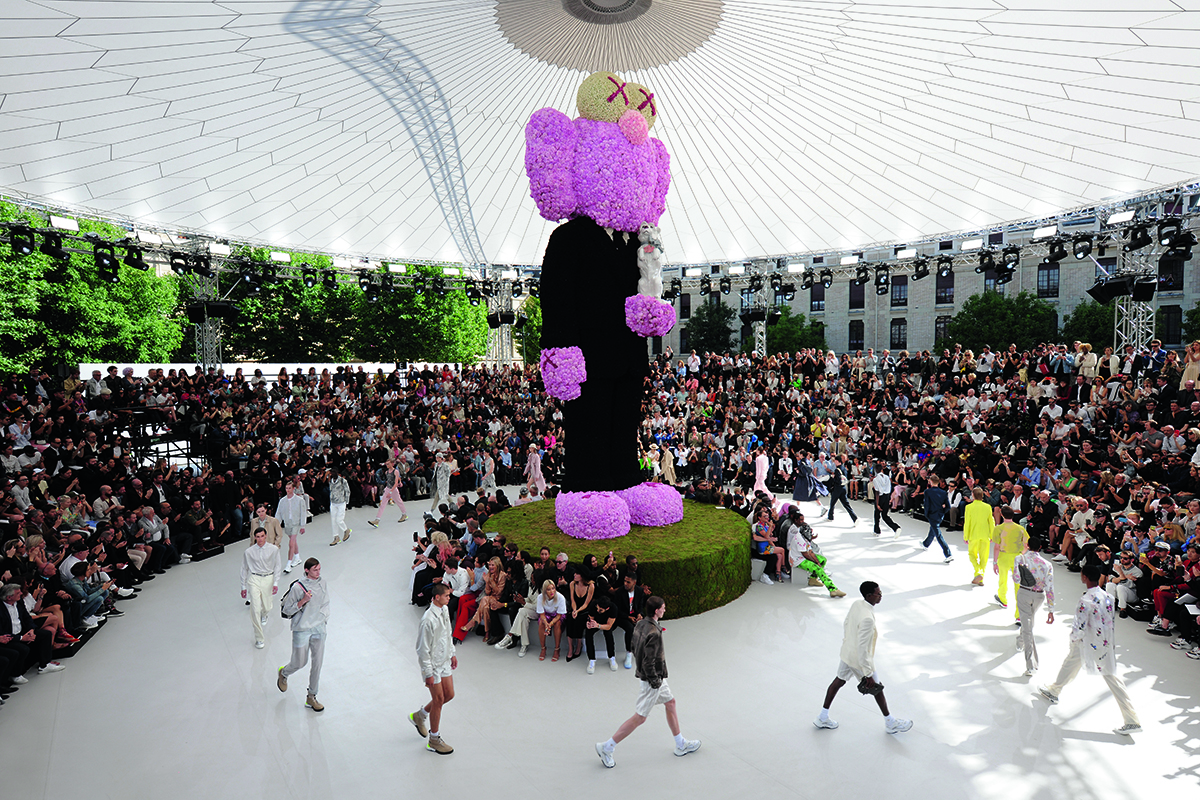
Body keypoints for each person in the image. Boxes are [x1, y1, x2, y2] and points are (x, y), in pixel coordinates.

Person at [595, 595, 700, 768]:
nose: (665, 609)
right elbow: (648, 662)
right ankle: (607, 747)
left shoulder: (641, 624)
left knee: (671, 703)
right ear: (657, 610)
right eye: (663, 607)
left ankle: (680, 744)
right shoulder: (654, 633)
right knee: (640, 718)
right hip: (653, 680)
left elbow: (635, 649)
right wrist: (655, 682)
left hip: (654, 677)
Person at [1038, 565, 1142, 736]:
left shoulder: (1085, 600)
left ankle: (1132, 720)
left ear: (1084, 577)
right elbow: (1109, 621)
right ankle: (1054, 689)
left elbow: (1079, 626)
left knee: (1072, 663)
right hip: (1104, 643)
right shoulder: (1108, 596)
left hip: (1086, 642)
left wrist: (1073, 639)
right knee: (1105, 675)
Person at [814, 581, 912, 734]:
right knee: (877, 687)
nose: (881, 596)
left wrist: (848, 642)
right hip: (858, 660)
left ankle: (823, 716)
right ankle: (890, 722)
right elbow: (862, 648)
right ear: (869, 595)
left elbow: (846, 623)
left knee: (838, 681)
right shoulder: (868, 618)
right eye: (878, 593)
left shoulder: (857, 604)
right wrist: (867, 674)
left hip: (847, 652)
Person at [276, 558, 330, 712]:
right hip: (302, 629)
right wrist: (303, 601)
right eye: (315, 570)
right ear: (306, 570)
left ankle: (311, 696)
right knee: (300, 662)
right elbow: (287, 611)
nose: (318, 573)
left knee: (317, 663)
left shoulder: (323, 583)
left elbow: (326, 603)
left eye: (319, 569)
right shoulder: (298, 588)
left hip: (319, 628)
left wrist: (324, 619)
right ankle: (284, 673)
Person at [411, 583, 457, 755]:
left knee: (449, 695)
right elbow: (422, 650)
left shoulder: (444, 610)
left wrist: (452, 653)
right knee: (438, 700)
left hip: (444, 661)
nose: (449, 598)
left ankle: (420, 715)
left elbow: (447, 633)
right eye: (447, 595)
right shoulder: (427, 620)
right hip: (433, 666)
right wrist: (428, 673)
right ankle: (434, 739)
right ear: (437, 597)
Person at [1012, 535, 1055, 676]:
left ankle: (1031, 664)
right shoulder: (1047, 564)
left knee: (1027, 627)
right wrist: (1051, 609)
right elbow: (1050, 587)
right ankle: (1020, 640)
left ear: (1028, 545)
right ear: (1040, 547)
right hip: (1039, 596)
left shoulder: (1020, 559)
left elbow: (1016, 578)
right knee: (1028, 620)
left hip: (1024, 592)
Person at [785, 509, 847, 598]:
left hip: (804, 556)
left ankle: (812, 579)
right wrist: (816, 562)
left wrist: (817, 560)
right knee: (818, 568)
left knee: (823, 560)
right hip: (797, 560)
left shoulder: (805, 537)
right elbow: (805, 554)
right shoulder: (799, 538)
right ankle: (832, 589)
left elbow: (810, 551)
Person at [240, 528, 283, 648]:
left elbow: (278, 566)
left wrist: (276, 583)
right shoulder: (248, 552)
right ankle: (259, 638)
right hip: (254, 579)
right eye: (257, 537)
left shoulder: (273, 549)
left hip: (268, 578)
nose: (260, 539)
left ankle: (265, 613)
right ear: (255, 537)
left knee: (267, 606)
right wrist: (243, 586)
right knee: (255, 608)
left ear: (266, 536)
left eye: (262, 536)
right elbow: (244, 568)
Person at [992, 506, 1028, 615]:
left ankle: (1003, 599)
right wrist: (1020, 553)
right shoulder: (1020, 528)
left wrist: (994, 562)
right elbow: (1026, 545)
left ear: (1002, 515)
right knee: (1018, 584)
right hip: (1017, 556)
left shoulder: (998, 528)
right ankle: (1018, 614)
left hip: (1003, 556)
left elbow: (997, 546)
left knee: (1002, 579)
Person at [963, 488, 994, 586]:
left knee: (972, 555)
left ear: (973, 495)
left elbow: (967, 522)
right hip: (985, 535)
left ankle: (978, 571)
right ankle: (981, 578)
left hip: (973, 534)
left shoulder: (969, 507)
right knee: (984, 557)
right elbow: (991, 522)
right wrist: (992, 534)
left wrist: (965, 536)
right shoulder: (987, 506)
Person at [275, 482, 307, 573]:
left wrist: (302, 525)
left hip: (295, 523)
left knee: (291, 542)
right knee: (293, 541)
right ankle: (297, 557)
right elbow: (279, 513)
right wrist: (277, 525)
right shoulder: (282, 501)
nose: (288, 490)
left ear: (293, 488)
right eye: (286, 488)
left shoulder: (299, 500)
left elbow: (303, 513)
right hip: (287, 524)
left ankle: (288, 563)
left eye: (289, 488)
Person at [921, 475, 954, 563]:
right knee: (933, 530)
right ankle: (925, 544)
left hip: (932, 515)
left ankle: (948, 554)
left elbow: (927, 505)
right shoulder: (943, 492)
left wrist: (926, 515)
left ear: (931, 481)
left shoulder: (927, 492)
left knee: (938, 534)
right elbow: (948, 506)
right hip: (940, 515)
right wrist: (943, 511)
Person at [368, 459, 408, 528]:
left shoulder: (395, 471)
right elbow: (390, 481)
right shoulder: (386, 472)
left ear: (392, 464)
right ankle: (377, 519)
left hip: (393, 489)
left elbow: (396, 482)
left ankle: (404, 514)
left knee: (399, 501)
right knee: (383, 504)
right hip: (388, 488)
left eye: (388, 464)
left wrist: (392, 490)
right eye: (386, 464)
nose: (387, 465)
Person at [825, 455, 857, 524]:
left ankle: (830, 516)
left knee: (832, 503)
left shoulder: (837, 470)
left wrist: (833, 478)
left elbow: (838, 481)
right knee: (846, 504)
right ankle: (854, 518)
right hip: (843, 488)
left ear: (837, 461)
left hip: (837, 488)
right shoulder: (844, 468)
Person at [872, 464, 901, 537]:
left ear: (876, 470)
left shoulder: (875, 479)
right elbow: (889, 487)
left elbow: (877, 491)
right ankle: (896, 527)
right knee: (885, 515)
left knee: (877, 514)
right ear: (882, 469)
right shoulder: (887, 477)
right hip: (887, 496)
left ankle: (877, 530)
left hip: (880, 497)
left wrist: (877, 503)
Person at [327, 465, 352, 545]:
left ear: (337, 472)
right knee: (333, 521)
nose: (332, 473)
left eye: (334, 472)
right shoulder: (331, 481)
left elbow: (347, 491)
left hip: (341, 502)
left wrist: (347, 502)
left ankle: (346, 530)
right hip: (333, 503)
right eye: (331, 472)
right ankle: (336, 537)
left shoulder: (342, 481)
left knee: (339, 520)